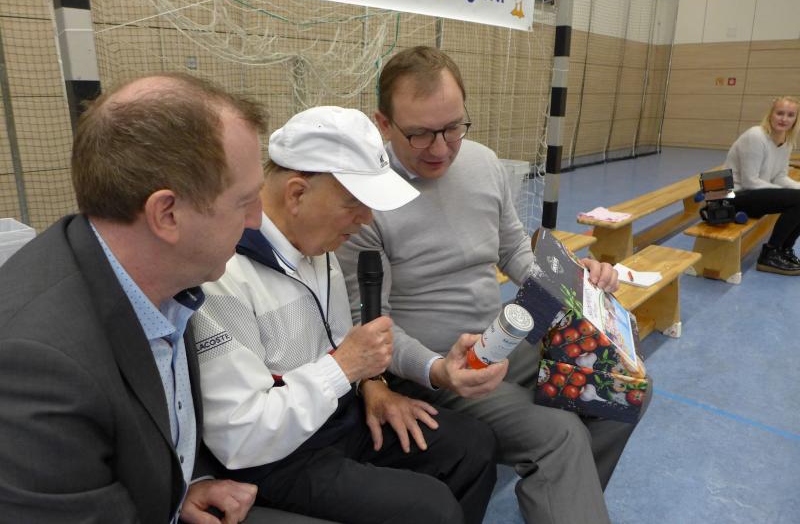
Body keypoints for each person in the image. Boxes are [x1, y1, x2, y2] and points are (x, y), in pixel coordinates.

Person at [337, 46, 650, 524]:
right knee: (559, 436)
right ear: (383, 123)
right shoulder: (366, 200)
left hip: (504, 338)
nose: (440, 148)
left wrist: (576, 281)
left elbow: (515, 252)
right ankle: (568, 496)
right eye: (419, 133)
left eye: (453, 128)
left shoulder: (484, 163)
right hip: (436, 365)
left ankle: (568, 499)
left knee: (624, 387)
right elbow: (368, 323)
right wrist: (438, 370)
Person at [0, 72, 291, 524]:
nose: (257, 220)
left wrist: (182, 484)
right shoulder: (40, 365)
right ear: (167, 214)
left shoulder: (160, 278)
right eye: (244, 201)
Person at [190, 106, 498, 524]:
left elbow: (338, 345)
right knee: (431, 508)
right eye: (354, 203)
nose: (367, 219)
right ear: (297, 194)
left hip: (337, 419)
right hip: (278, 458)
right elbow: (240, 436)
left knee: (472, 447)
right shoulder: (222, 276)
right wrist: (344, 368)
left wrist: (372, 383)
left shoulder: (317, 247)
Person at [726, 95, 800, 275]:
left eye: (790, 115)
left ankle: (784, 249)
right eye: (780, 113)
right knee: (797, 200)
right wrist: (787, 194)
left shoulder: (787, 141)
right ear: (770, 114)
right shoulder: (756, 136)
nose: (784, 119)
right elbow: (750, 181)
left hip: (756, 194)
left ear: (795, 120)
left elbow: (780, 176)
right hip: (733, 196)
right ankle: (770, 254)